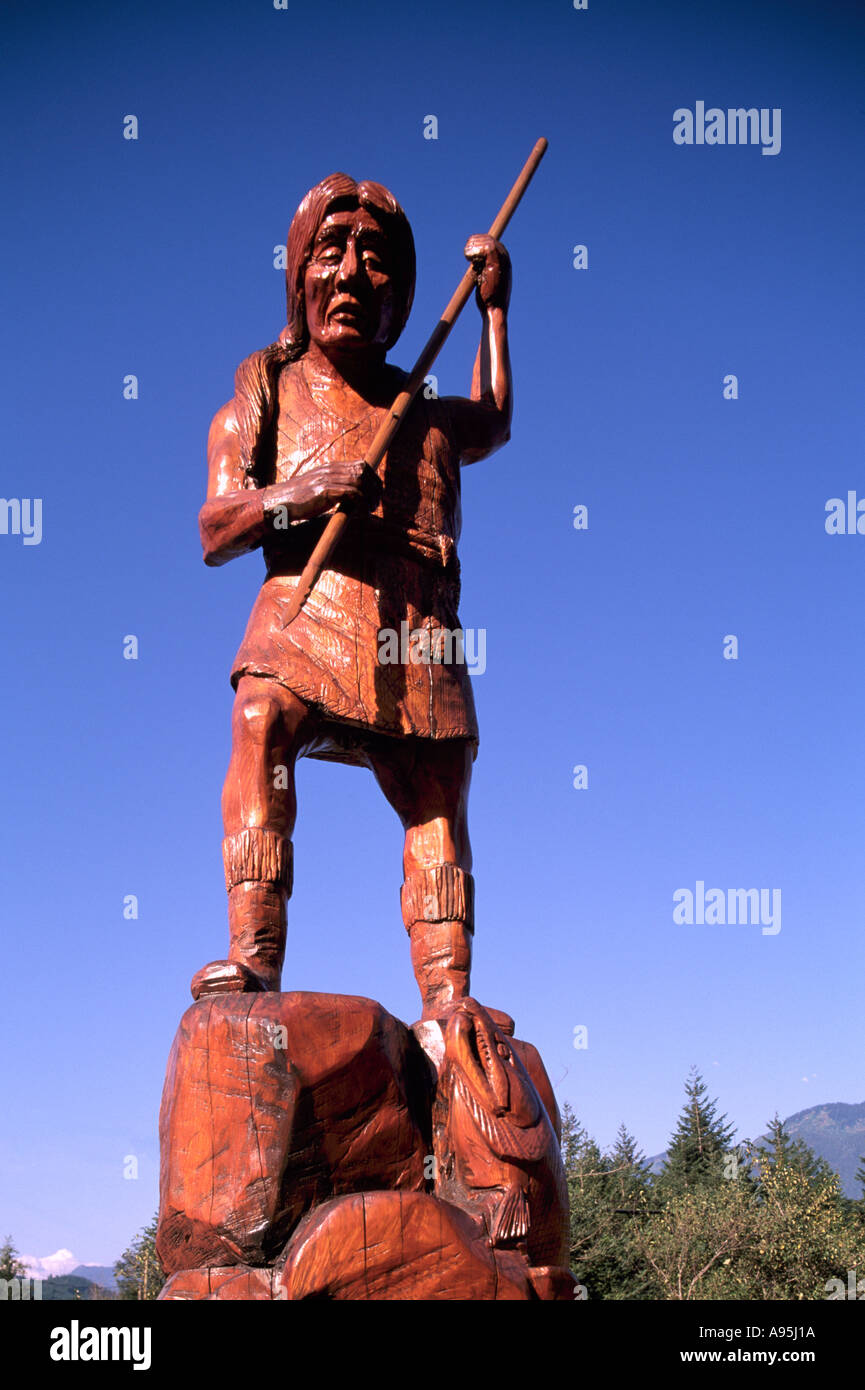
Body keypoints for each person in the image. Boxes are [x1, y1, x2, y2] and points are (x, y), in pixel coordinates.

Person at [191, 173, 512, 1020]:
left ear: (400, 291)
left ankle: (448, 999)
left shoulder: (422, 407)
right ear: (298, 276)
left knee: (438, 792)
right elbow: (216, 529)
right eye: (330, 252)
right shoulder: (261, 395)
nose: (350, 274)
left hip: (416, 623)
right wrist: (301, 493)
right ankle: (253, 959)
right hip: (308, 604)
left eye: (375, 258)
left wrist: (492, 311)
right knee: (260, 717)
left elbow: (496, 419)